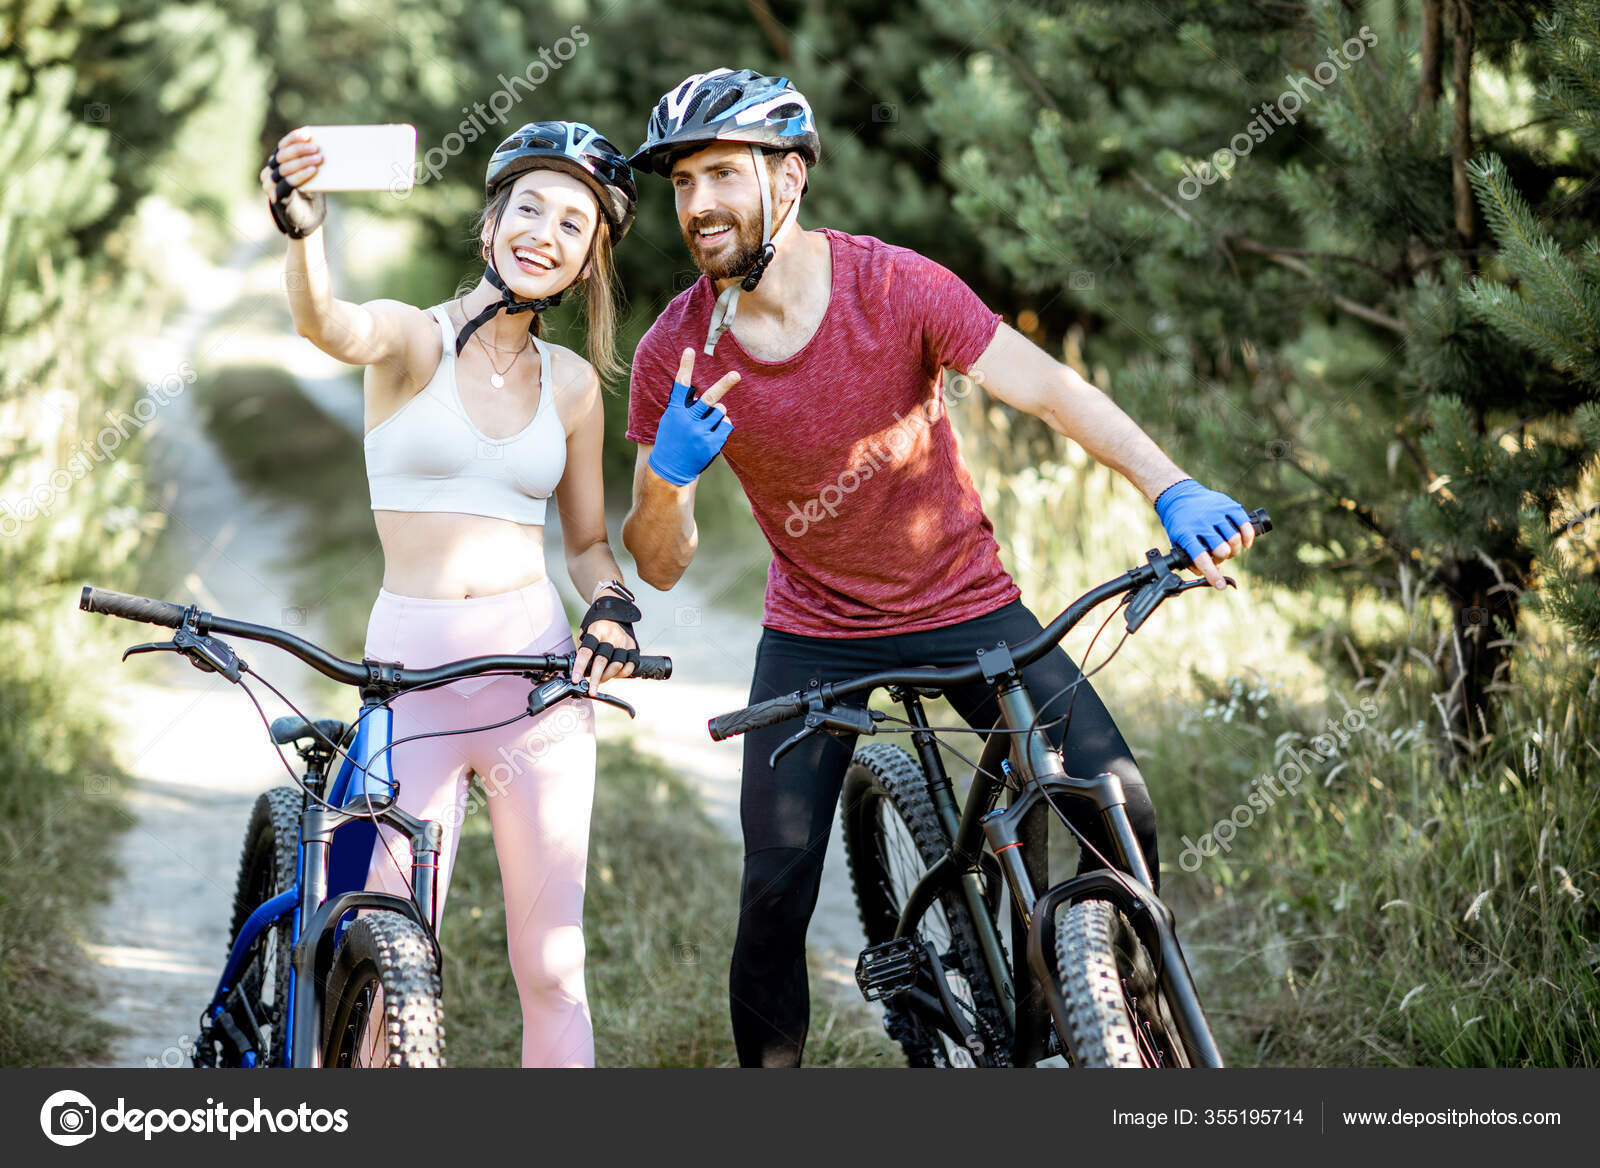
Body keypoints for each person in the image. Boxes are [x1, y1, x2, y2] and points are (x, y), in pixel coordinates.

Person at [619, 68, 1256, 1067]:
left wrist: (1168, 486)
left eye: (720, 175)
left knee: (1113, 800)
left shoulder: (893, 285)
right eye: (682, 183)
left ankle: (1115, 1024)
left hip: (968, 605)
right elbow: (658, 566)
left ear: (787, 179)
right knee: (774, 891)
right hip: (814, 634)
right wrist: (666, 479)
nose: (697, 204)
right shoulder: (676, 352)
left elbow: (1045, 388)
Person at [260, 119, 644, 1067]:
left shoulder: (573, 385)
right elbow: (330, 323)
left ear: (589, 257)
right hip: (409, 679)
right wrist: (301, 228)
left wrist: (611, 606)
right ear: (490, 224)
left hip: (537, 682)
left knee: (553, 966)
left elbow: (589, 543)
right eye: (529, 208)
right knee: (377, 943)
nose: (545, 233)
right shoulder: (414, 342)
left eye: (573, 222)